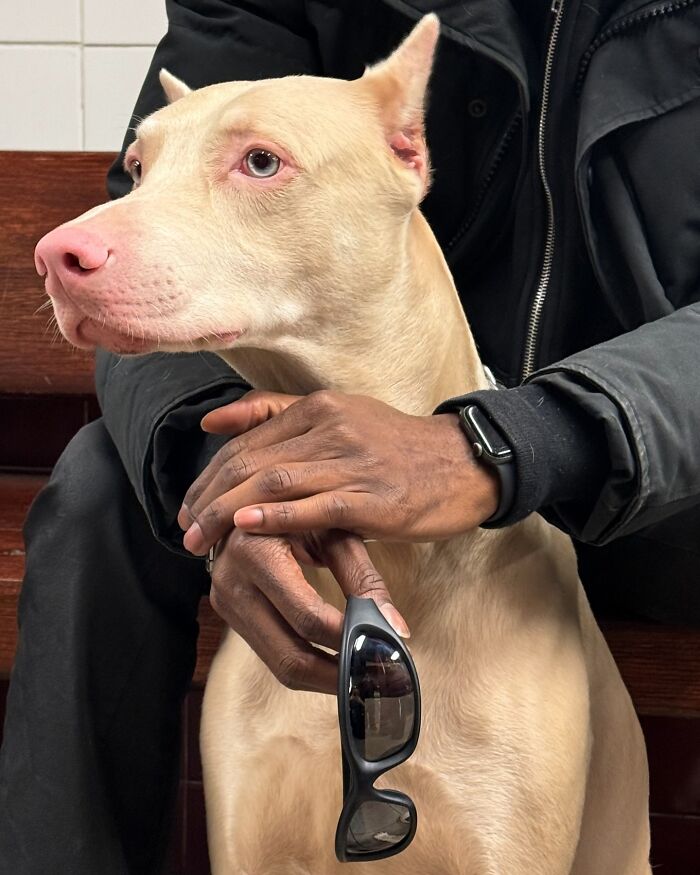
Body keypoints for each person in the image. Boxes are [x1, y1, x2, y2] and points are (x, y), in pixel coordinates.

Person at [2, 0, 700, 871]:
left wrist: (502, 442)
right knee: (96, 490)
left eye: (260, 160)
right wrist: (234, 481)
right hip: (329, 424)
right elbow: (154, 199)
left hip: (651, 456)